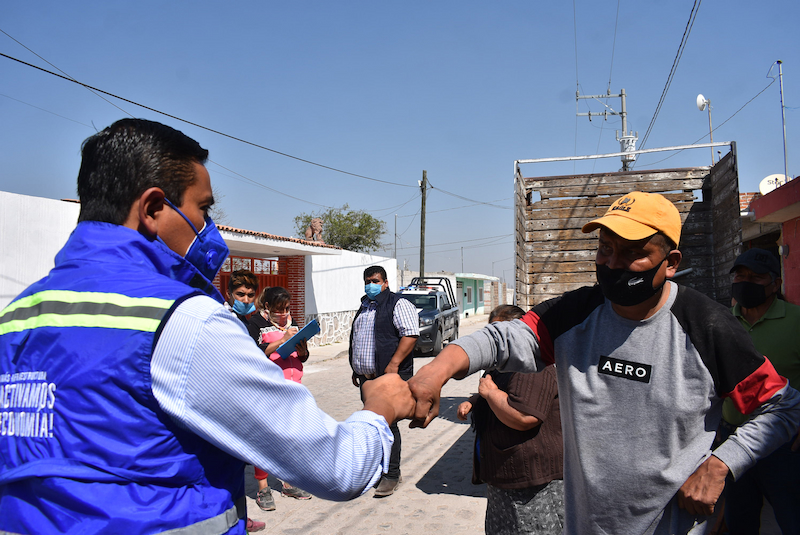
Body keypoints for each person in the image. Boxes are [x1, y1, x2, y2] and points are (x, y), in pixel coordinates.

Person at [0, 119, 415, 535]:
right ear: (153, 208)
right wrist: (379, 411)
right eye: (203, 209)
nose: (209, 229)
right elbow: (337, 469)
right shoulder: (183, 320)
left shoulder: (15, 318)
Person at [408, 191, 800, 535]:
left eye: (634, 252)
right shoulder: (574, 315)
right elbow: (501, 338)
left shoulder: (708, 326)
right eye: (605, 249)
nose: (613, 264)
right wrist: (434, 372)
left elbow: (783, 405)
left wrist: (720, 464)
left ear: (671, 261)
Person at [457, 305, 563, 535]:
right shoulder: (501, 362)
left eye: (499, 331)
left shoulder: (533, 365)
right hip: (505, 475)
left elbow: (525, 416)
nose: (493, 338)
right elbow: (498, 389)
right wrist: (476, 401)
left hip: (532, 482)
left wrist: (489, 394)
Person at [720, 248, 800, 534]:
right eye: (740, 276)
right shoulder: (721, 323)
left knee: (793, 520)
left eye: (755, 278)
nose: (745, 282)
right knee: (739, 522)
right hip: (733, 441)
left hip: (785, 445)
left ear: (775, 284)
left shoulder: (796, 320)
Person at [349, 265, 419, 497]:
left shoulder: (398, 303)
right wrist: (356, 367)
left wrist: (394, 364)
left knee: (387, 425)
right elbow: (360, 339)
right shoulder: (365, 307)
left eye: (375, 280)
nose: (371, 284)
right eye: (367, 280)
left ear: (385, 283)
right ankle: (377, 471)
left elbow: (410, 334)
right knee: (372, 425)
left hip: (388, 377)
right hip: (367, 378)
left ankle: (391, 474)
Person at [247, 286, 312, 508]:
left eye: (286, 308)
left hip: (293, 390)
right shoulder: (256, 323)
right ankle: (263, 488)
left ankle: (287, 482)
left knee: (290, 438)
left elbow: (301, 357)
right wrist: (282, 339)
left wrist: (302, 349)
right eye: (279, 309)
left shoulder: (292, 325)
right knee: (265, 440)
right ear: (267, 307)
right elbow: (254, 352)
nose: (284, 313)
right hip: (269, 391)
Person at [223, 269, 266, 530]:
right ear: (229, 294)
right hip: (228, 403)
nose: (246, 298)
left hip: (243, 402)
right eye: (240, 294)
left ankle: (241, 518)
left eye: (251, 294)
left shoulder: (247, 321)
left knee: (237, 467)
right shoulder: (224, 320)